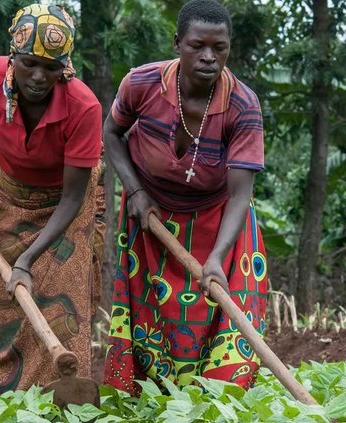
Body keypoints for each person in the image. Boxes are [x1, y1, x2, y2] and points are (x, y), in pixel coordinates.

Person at [0, 4, 105, 421]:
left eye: (50, 68)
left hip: (65, 206)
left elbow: (73, 197)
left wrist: (28, 259)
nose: (38, 77)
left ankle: (52, 414)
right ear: (12, 57)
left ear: (65, 67)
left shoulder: (83, 107)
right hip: (8, 195)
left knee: (59, 309)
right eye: (29, 64)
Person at [103, 0, 267, 395]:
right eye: (198, 46)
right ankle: (153, 402)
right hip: (150, 214)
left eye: (220, 48)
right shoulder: (141, 83)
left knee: (231, 317)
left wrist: (216, 257)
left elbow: (240, 193)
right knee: (151, 317)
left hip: (220, 219)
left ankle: (216, 405)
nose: (210, 57)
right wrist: (136, 191)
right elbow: (111, 133)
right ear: (178, 43)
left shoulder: (243, 105)